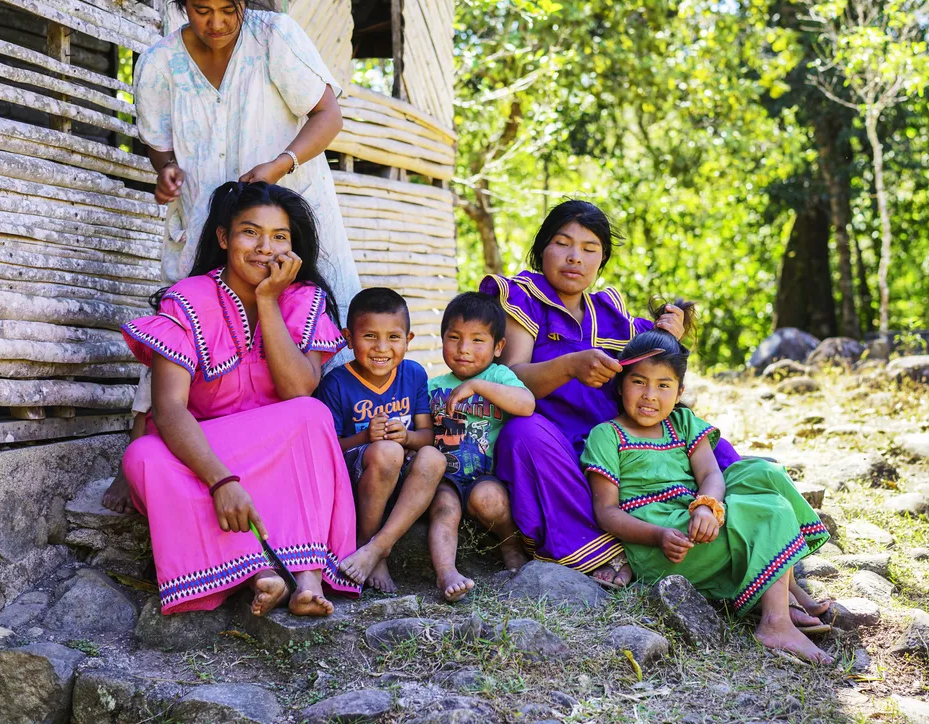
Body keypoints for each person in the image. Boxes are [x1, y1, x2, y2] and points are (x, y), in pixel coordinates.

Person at [105, 0, 360, 512]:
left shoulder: (275, 37)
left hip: (280, 220)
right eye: (202, 10)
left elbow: (328, 114)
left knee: (306, 329)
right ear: (182, 3)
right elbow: (159, 145)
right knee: (186, 330)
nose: (217, 23)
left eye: (229, 10)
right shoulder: (159, 64)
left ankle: (335, 464)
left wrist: (280, 164)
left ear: (246, 2)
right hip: (208, 224)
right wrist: (166, 171)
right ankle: (148, 460)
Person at [120, 182, 357, 618]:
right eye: (251, 232)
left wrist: (268, 300)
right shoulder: (187, 300)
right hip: (206, 453)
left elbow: (297, 390)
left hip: (277, 456)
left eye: (279, 236)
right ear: (224, 238)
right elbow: (169, 409)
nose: (265, 248)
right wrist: (221, 481)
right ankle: (258, 572)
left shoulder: (304, 300)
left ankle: (307, 579)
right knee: (143, 456)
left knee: (310, 414)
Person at [480, 200, 742, 586]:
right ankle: (599, 550)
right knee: (523, 433)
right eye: (562, 244)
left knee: (697, 434)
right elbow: (509, 379)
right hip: (558, 445)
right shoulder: (523, 298)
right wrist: (569, 366)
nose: (575, 257)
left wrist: (671, 333)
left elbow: (654, 370)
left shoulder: (611, 313)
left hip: (618, 439)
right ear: (541, 248)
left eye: (590, 249)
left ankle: (745, 520)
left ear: (601, 259)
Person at [582, 326, 834, 664]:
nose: (650, 395)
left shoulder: (682, 423)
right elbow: (607, 512)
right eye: (639, 382)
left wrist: (707, 507)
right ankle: (776, 623)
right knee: (770, 511)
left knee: (765, 472)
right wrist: (658, 536)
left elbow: (711, 475)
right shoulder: (607, 435)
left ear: (679, 391)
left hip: (695, 517)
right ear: (620, 384)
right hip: (664, 540)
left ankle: (785, 590)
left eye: (663, 385)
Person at [315, 288, 445, 593]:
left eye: (393, 337)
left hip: (401, 477)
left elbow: (428, 437)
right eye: (370, 336)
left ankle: (378, 547)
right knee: (387, 452)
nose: (382, 348)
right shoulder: (336, 383)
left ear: (408, 340)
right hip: (360, 479)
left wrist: (408, 436)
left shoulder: (413, 374)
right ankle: (365, 537)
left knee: (434, 458)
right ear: (349, 338)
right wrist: (364, 437)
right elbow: (326, 449)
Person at [426, 293, 535, 602]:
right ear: (442, 339)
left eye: (477, 340)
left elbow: (527, 404)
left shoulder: (498, 376)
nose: (464, 348)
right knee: (444, 508)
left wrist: (477, 386)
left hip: (485, 475)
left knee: (491, 501)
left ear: (498, 347)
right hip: (445, 476)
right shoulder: (433, 386)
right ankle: (446, 572)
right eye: (454, 338)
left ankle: (509, 544)